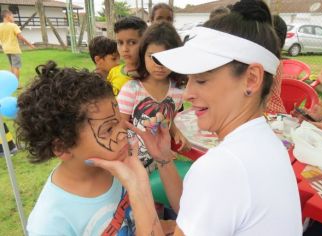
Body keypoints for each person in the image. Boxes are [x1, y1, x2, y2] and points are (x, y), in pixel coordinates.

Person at [88, 6, 302, 236]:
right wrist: (163, 158)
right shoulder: (268, 142)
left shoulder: (222, 167)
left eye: (201, 80)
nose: (188, 94)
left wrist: (137, 186)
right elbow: (197, 213)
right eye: (188, 79)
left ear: (251, 79)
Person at [15, 61, 135, 235]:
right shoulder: (50, 224)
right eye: (108, 130)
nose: (123, 134)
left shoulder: (118, 165)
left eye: (120, 123)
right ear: (62, 147)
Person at [118, 21, 190, 176]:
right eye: (153, 57)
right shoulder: (131, 90)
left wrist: (176, 132)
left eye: (166, 57)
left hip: (160, 164)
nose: (159, 65)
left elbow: (168, 119)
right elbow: (119, 126)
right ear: (142, 55)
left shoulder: (178, 92)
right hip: (132, 165)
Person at [108, 16, 148, 96]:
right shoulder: (113, 72)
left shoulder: (151, 76)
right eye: (120, 43)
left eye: (132, 42)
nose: (124, 49)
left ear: (145, 43)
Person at [0, 9, 34, 82]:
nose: (13, 18)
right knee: (16, 67)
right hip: (14, 49)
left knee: (12, 65)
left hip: (6, 49)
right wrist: (29, 44)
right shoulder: (13, 26)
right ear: (8, 16)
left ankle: (10, 81)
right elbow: (20, 37)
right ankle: (16, 84)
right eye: (12, 16)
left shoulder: (0, 26)